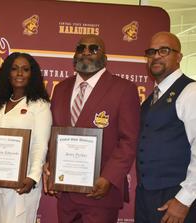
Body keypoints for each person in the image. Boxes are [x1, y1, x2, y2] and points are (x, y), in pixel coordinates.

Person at [43, 34, 140, 223]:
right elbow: (54, 133)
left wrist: (109, 178)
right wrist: (51, 167)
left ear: (105, 57)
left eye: (93, 48)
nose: (86, 52)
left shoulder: (124, 89)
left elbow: (128, 140)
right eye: (81, 48)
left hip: (100, 192)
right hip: (66, 194)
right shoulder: (61, 88)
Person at [0, 52, 52, 223]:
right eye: (14, 69)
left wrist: (33, 176)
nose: (19, 73)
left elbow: (41, 144)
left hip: (21, 181)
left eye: (25, 69)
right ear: (6, 73)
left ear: (32, 75)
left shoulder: (40, 105)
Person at [136, 31, 196, 223]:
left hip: (176, 196)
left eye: (164, 51)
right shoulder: (151, 99)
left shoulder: (190, 92)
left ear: (179, 56)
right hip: (147, 196)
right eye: (151, 52)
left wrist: (184, 199)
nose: (156, 56)